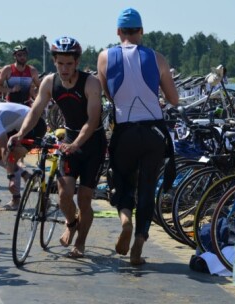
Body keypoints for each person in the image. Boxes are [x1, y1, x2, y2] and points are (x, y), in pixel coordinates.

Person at [8, 36, 106, 258]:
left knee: (84, 199)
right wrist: (21, 133)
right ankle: (71, 223)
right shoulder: (50, 82)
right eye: (60, 63)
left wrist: (76, 144)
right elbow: (35, 111)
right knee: (64, 195)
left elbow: (92, 120)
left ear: (77, 62)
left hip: (93, 144)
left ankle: (80, 242)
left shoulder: (90, 83)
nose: (64, 68)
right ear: (54, 62)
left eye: (69, 64)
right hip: (69, 139)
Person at [97, 7, 179, 265]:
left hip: (125, 131)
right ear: (141, 31)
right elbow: (174, 99)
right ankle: (140, 243)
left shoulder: (104, 57)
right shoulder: (157, 58)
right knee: (147, 189)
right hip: (154, 131)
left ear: (118, 32)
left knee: (121, 180)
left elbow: (108, 94)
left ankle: (125, 220)